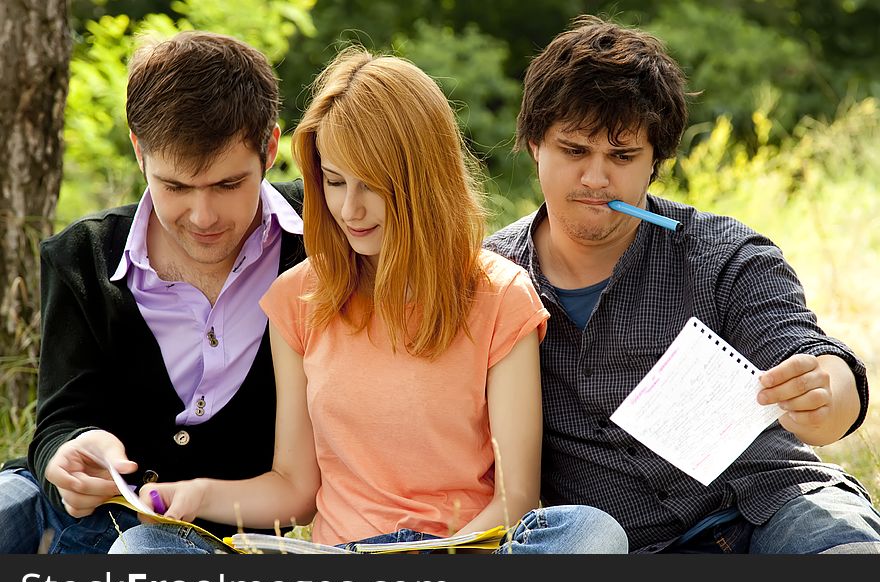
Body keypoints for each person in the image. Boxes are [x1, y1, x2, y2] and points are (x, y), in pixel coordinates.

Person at [107, 46, 628, 555]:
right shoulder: (298, 298)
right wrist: (199, 494)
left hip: (462, 553)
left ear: (422, 181)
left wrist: (437, 560)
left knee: (591, 533)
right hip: (341, 564)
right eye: (334, 182)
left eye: (372, 186)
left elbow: (515, 499)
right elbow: (295, 491)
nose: (349, 208)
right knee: (141, 550)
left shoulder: (500, 296)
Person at [484, 15, 880, 554]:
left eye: (622, 157)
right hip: (621, 546)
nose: (597, 179)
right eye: (574, 151)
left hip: (770, 505)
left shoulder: (721, 253)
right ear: (535, 145)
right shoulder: (490, 279)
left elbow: (811, 356)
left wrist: (824, 392)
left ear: (655, 163)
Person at [0, 30, 307, 553]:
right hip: (66, 510)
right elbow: (59, 419)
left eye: (229, 185)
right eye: (176, 187)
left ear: (271, 147)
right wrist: (68, 455)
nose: (203, 216)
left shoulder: (321, 241)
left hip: (205, 540)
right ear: (139, 151)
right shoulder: (82, 256)